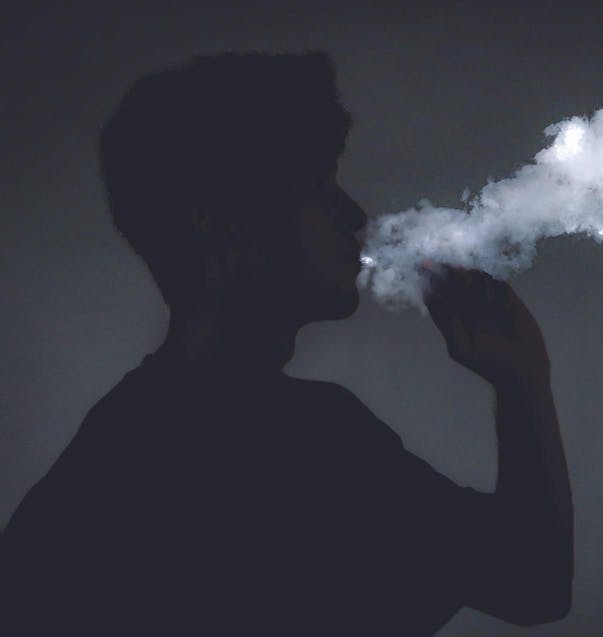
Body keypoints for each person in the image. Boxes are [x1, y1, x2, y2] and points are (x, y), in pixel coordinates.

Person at [0, 52, 573, 636]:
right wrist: (523, 380)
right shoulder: (302, 437)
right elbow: (532, 582)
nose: (353, 214)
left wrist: (518, 375)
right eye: (318, 186)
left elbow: (529, 585)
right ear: (220, 223)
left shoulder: (113, 444)